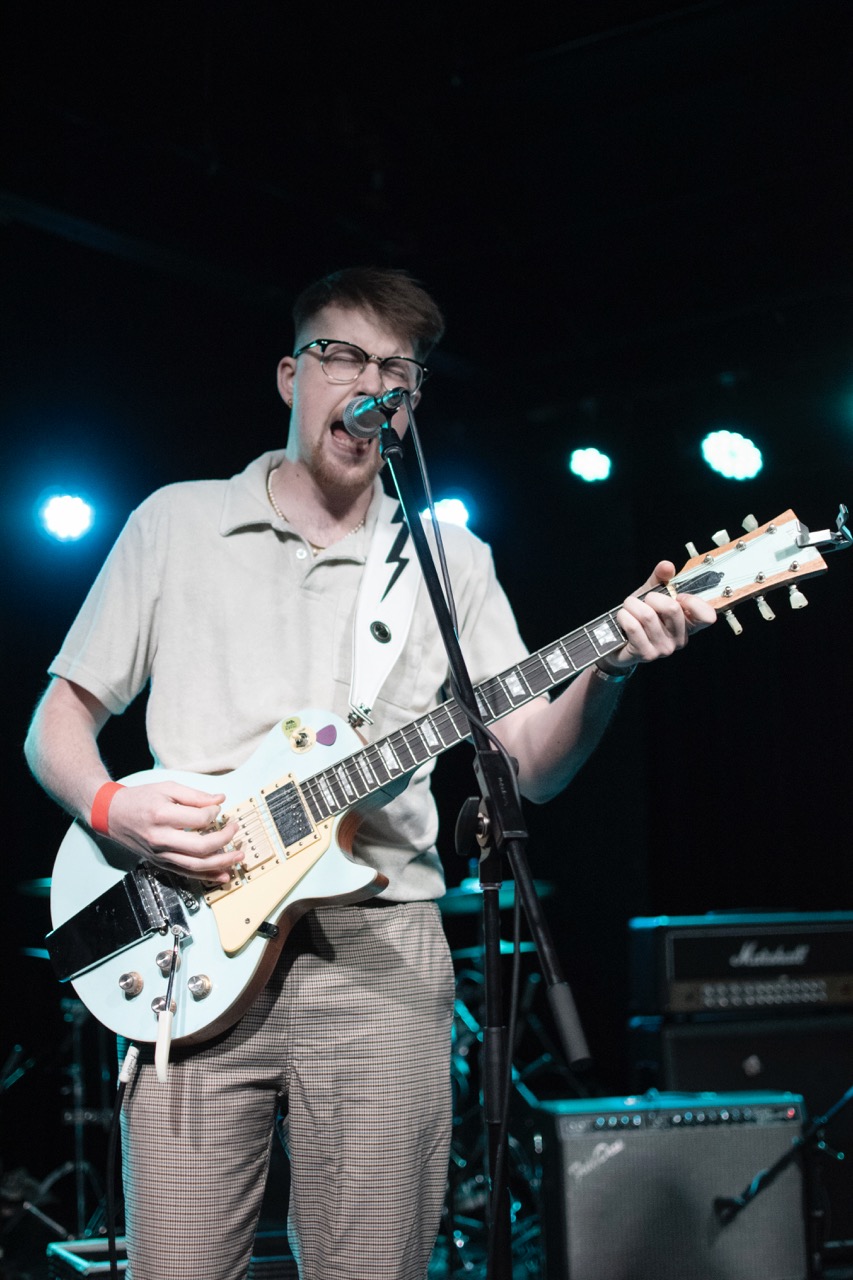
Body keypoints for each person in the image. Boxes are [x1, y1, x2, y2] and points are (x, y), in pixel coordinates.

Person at [25, 266, 715, 1280]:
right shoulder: (176, 522)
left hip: (379, 949)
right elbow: (55, 723)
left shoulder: (445, 556)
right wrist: (112, 804)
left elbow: (531, 764)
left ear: (414, 400)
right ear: (289, 375)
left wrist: (608, 666)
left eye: (398, 370)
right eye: (342, 356)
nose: (371, 385)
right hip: (187, 929)